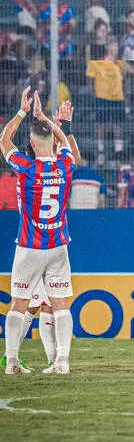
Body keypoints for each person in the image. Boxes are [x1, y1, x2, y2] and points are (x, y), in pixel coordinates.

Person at [0, 88, 75, 375]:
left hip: (29, 247)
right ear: (53, 141)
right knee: (60, 305)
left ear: (30, 142)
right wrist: (46, 118)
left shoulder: (25, 167)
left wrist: (22, 112)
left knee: (18, 304)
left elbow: (4, 140)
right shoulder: (66, 165)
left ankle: (13, 361)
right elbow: (65, 141)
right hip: (57, 246)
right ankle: (62, 362)